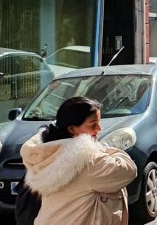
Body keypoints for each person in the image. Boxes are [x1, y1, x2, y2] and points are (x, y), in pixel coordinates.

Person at [19, 96, 138, 225]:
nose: (99, 129)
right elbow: (128, 171)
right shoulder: (87, 159)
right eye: (93, 124)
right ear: (71, 129)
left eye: (99, 122)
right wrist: (104, 149)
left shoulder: (46, 152)